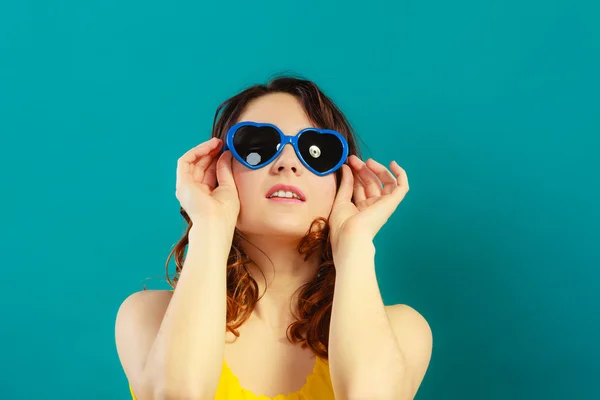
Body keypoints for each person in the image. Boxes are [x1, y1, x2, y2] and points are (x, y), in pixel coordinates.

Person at [115, 76, 433, 400]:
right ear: (217, 169)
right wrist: (210, 226)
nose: (288, 163)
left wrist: (355, 245)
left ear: (343, 182)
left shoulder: (404, 331)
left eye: (316, 152)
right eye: (258, 148)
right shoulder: (147, 317)